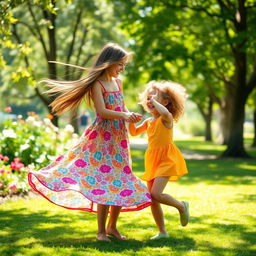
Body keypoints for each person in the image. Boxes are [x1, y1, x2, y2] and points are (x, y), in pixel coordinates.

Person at [28, 43, 151, 242]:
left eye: (123, 65)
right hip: (103, 140)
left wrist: (130, 116)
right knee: (105, 183)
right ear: (109, 63)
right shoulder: (98, 84)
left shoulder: (118, 82)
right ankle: (101, 232)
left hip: (119, 139)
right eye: (120, 64)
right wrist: (124, 115)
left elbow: (122, 105)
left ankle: (112, 227)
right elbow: (102, 111)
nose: (122, 68)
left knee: (121, 180)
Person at [129, 80, 189, 240]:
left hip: (166, 159)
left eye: (155, 98)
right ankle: (162, 232)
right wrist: (129, 120)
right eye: (148, 98)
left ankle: (181, 206)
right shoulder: (149, 121)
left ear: (166, 102)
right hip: (152, 160)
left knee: (156, 193)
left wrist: (154, 101)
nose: (150, 101)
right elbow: (134, 132)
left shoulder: (166, 119)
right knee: (152, 198)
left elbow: (166, 114)